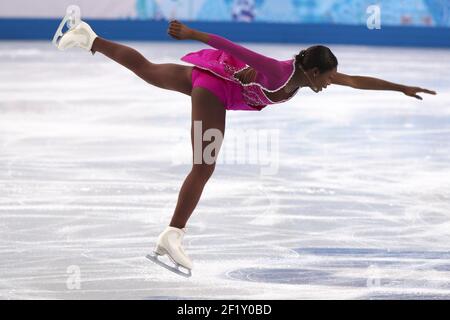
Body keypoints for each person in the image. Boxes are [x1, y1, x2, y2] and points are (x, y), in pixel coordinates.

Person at [54, 18, 436, 275]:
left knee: (149, 70)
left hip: (213, 80)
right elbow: (228, 43)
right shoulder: (277, 71)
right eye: (327, 77)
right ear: (313, 71)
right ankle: (172, 235)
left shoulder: (307, 78)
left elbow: (356, 81)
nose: (330, 83)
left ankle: (89, 38)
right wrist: (190, 33)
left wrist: (401, 87)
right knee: (204, 167)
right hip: (214, 90)